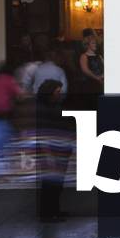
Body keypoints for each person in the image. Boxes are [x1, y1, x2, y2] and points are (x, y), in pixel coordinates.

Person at [35, 80, 73, 223]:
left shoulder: (54, 106)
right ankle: (48, 213)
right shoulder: (43, 110)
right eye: (57, 91)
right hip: (51, 150)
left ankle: (54, 210)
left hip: (60, 148)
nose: (59, 94)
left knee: (56, 183)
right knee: (50, 184)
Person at [0, 61, 23, 156]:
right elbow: (19, 93)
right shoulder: (9, 79)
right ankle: (11, 142)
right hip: (4, 108)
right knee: (6, 127)